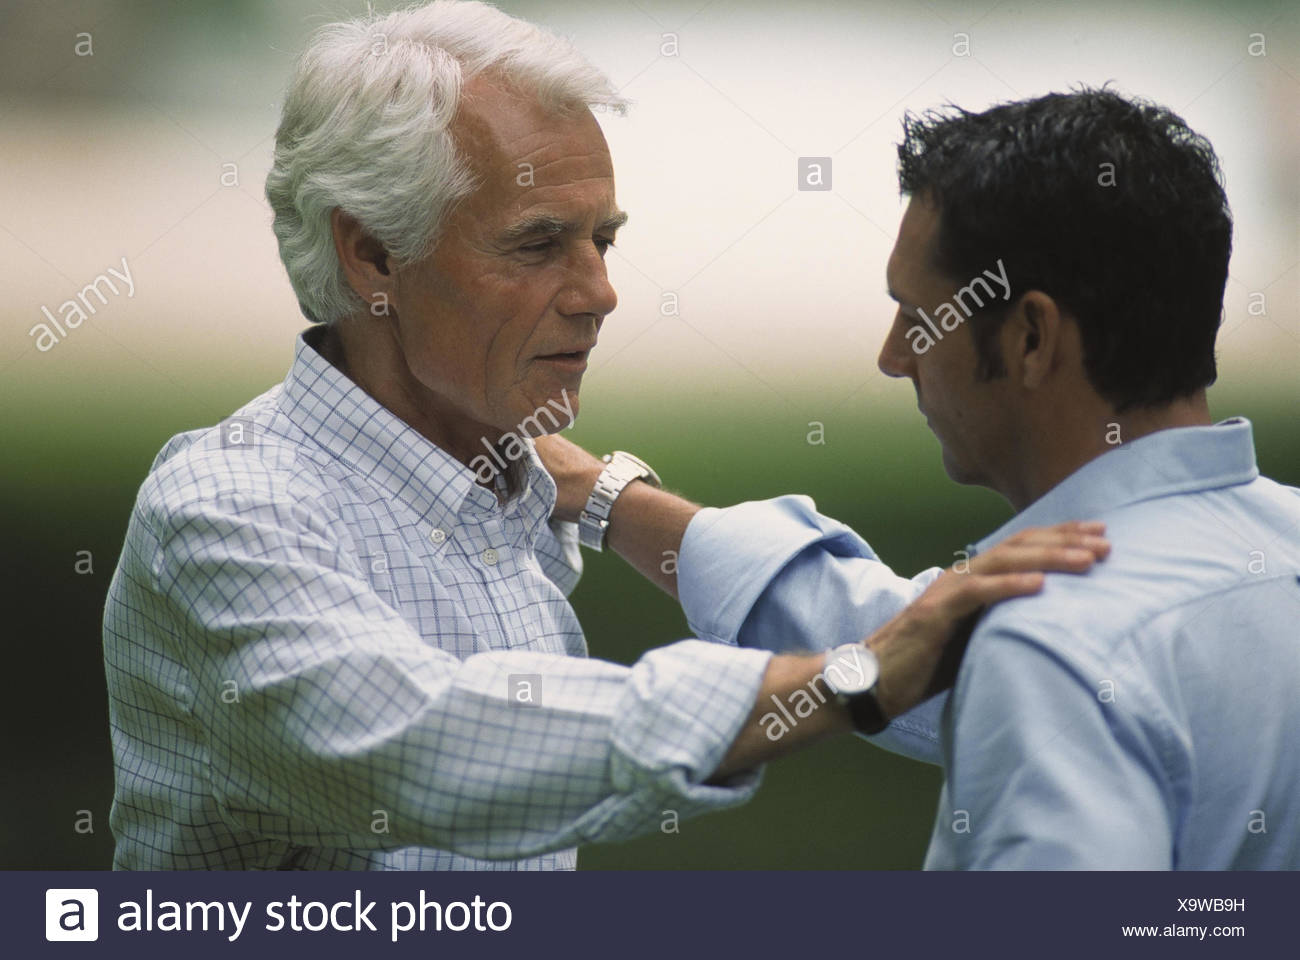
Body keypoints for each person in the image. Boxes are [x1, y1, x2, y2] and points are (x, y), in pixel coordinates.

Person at [100, 0, 1106, 871]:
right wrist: (850, 680)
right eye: (537, 244)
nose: (601, 293)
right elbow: (432, 750)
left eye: (603, 239)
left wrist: (612, 497)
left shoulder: (504, 479)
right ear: (370, 255)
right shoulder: (228, 510)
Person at [543, 87, 1300, 869]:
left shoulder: (1049, 642)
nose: (893, 355)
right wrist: (604, 495)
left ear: (1032, 337)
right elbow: (907, 637)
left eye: (917, 315)